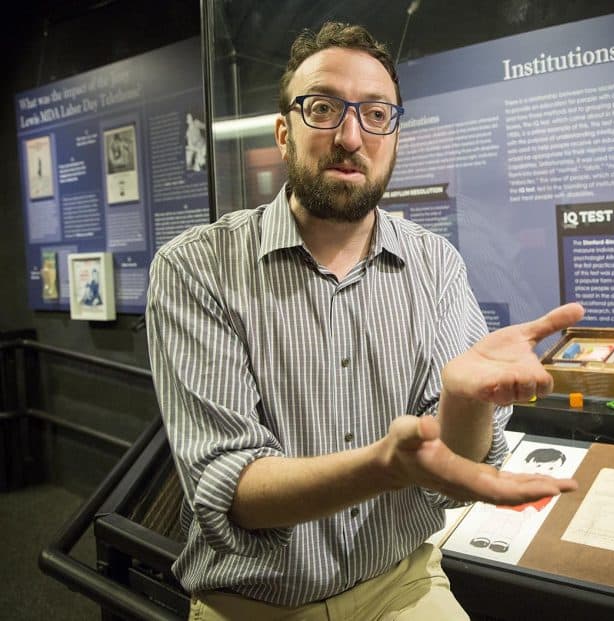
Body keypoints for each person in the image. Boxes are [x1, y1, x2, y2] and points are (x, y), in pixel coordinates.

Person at [146, 21, 584, 621]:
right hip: (253, 605)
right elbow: (233, 489)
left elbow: (456, 472)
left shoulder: (434, 263)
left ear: (394, 135)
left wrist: (465, 402)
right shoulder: (197, 268)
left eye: (376, 114)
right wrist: (383, 466)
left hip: (401, 585)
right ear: (283, 131)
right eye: (324, 108)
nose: (351, 135)